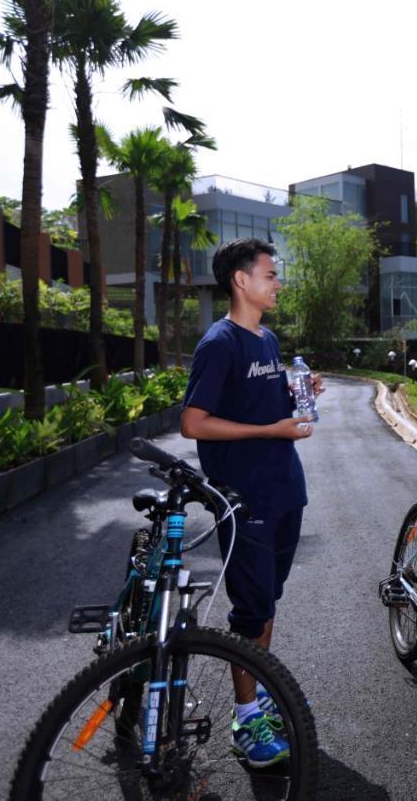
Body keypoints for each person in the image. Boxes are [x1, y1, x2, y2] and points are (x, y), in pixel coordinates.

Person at [181, 238, 321, 767]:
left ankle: (261, 691)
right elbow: (194, 422)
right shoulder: (220, 344)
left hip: (286, 489)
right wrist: (271, 426)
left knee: (266, 603)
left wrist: (299, 393)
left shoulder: (267, 339)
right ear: (241, 281)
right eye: (269, 274)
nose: (277, 281)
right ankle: (246, 719)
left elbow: (263, 400)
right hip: (245, 499)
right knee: (249, 611)